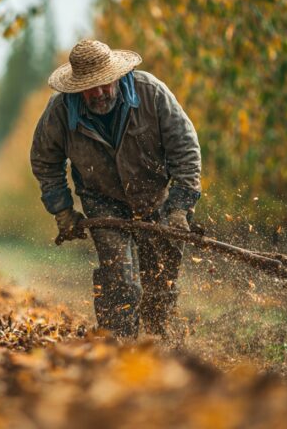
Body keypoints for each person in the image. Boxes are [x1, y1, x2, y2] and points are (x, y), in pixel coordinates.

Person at [30, 39, 202, 344]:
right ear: (77, 88)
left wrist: (180, 207)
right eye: (89, 87)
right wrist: (63, 211)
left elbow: (186, 149)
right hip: (101, 201)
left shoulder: (152, 94)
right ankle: (117, 347)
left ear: (116, 76)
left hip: (155, 198)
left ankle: (157, 343)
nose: (98, 93)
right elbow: (45, 161)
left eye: (104, 83)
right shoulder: (59, 112)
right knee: (119, 278)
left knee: (160, 281)